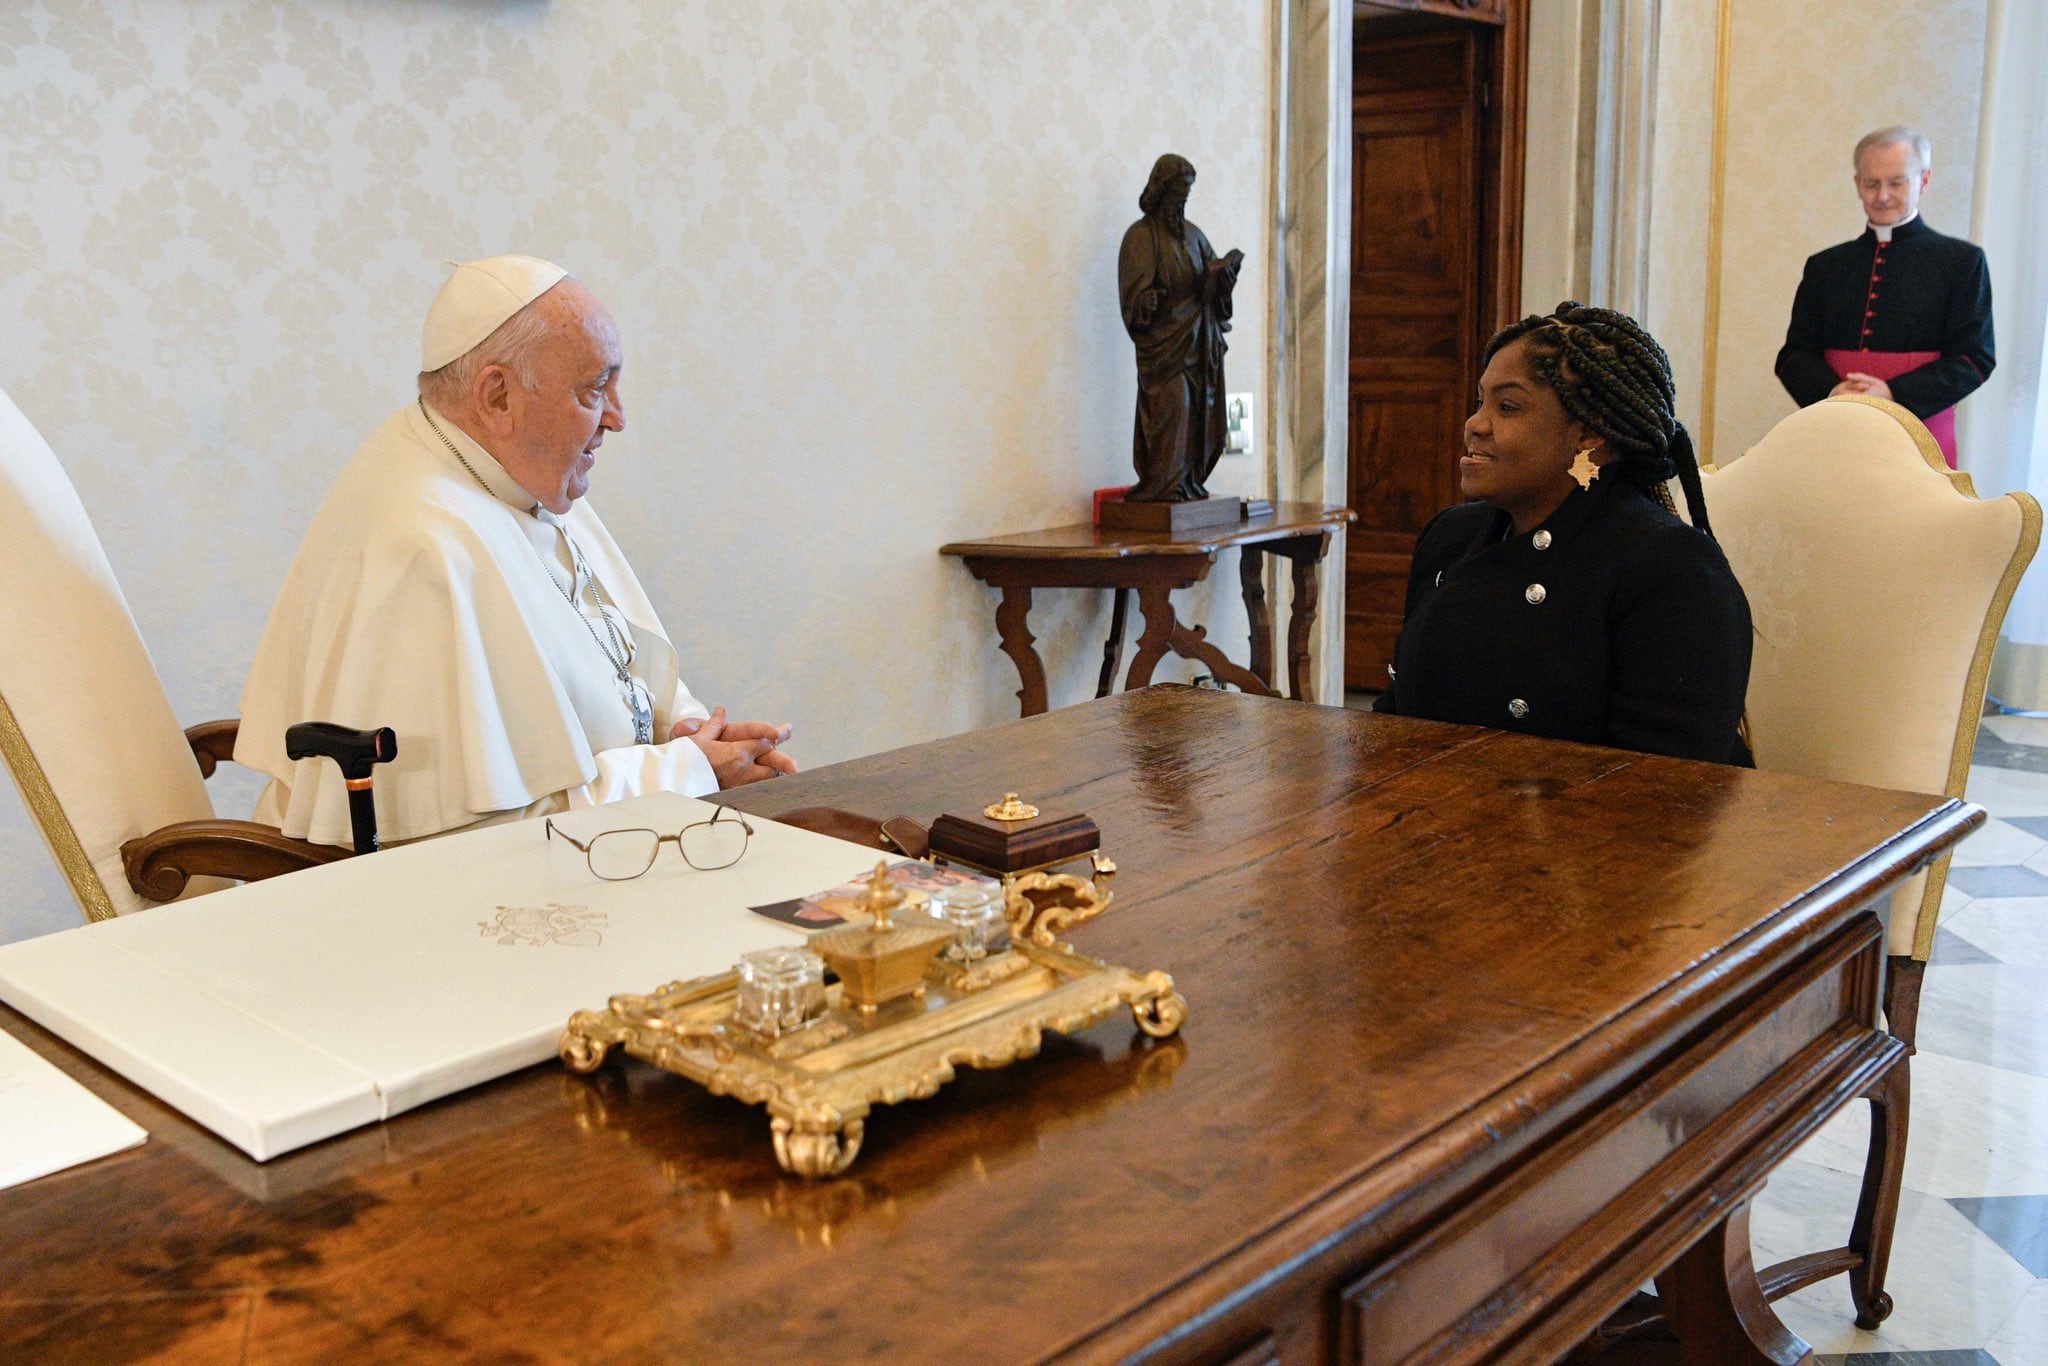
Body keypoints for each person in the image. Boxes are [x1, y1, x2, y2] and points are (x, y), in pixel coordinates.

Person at [237, 255, 796, 848]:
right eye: (594, 389)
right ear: (498, 396)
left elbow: (605, 647)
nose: (618, 417)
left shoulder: (514, 474)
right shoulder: (423, 543)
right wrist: (689, 771)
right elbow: (482, 840)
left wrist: (680, 730)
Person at [1372, 303, 1753, 766]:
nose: (1475, 424)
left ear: (1588, 433)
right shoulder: (1450, 537)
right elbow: (1394, 723)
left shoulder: (1672, 569)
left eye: (1507, 406)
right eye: (1481, 401)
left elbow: (1668, 787)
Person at [1774, 126, 1994, 468]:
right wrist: (1835, 392)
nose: (1882, 196)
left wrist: (1893, 393)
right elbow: (1794, 355)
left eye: (1897, 182)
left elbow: (1974, 359)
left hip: (1921, 431)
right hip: (1836, 428)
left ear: (1923, 180)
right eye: (1871, 183)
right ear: (1857, 184)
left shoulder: (1961, 262)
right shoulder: (1825, 265)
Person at [1117, 153, 1244, 503]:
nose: (1182, 203)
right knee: (1176, 407)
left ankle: (1188, 482)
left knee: (1201, 415)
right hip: (1165, 350)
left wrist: (1224, 279)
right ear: (1161, 190)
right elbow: (1133, 299)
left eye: (1186, 196)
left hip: (1198, 343)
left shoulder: (1194, 236)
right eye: (1177, 195)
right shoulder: (1141, 237)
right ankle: (1164, 485)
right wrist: (1146, 303)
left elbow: (1215, 290)